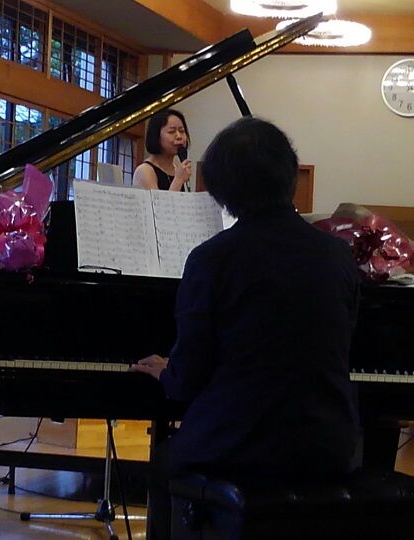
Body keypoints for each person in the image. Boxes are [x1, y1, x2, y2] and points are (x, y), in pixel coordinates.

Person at [133, 117, 361, 538]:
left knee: (164, 463)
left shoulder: (212, 259)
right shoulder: (337, 255)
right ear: (289, 177)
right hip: (328, 444)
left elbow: (187, 382)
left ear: (220, 189)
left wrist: (167, 371)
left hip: (240, 445)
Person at [132, 109, 192, 191]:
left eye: (182, 131)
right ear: (156, 135)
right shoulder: (144, 171)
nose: (179, 136)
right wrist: (178, 180)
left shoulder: (178, 171)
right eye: (171, 132)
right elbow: (159, 200)